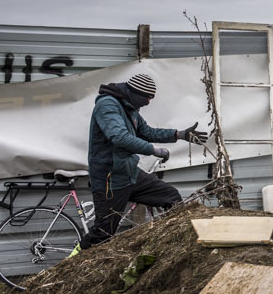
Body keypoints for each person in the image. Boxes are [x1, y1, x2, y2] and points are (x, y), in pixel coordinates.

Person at [73, 73, 207, 253]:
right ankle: (71, 263)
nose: (149, 102)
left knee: (170, 196)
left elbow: (147, 132)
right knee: (103, 234)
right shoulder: (107, 105)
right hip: (110, 180)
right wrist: (153, 150)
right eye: (148, 98)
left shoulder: (130, 107)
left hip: (129, 173)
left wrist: (179, 135)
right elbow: (119, 137)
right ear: (136, 93)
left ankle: (174, 247)